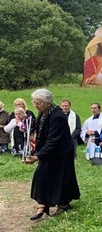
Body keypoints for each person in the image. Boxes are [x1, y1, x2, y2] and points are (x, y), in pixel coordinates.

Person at [23, 89, 80, 219]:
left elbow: (54, 140)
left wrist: (38, 156)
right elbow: (39, 126)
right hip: (50, 151)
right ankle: (42, 204)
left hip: (61, 152)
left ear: (47, 103)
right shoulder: (44, 112)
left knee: (60, 178)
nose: (35, 105)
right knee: (42, 174)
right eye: (34, 102)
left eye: (38, 103)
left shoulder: (57, 116)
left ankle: (63, 204)